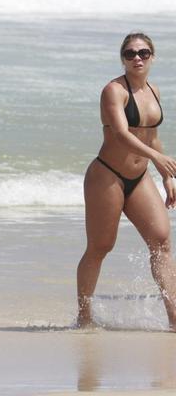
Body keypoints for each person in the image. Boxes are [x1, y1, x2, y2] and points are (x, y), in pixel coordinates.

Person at [77, 33, 176, 331]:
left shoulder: (154, 91)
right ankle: (84, 316)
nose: (137, 58)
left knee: (161, 240)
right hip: (107, 176)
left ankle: (174, 318)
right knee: (100, 247)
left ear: (152, 57)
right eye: (130, 53)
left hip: (139, 176)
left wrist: (166, 176)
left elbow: (152, 137)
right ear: (122, 58)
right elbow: (121, 134)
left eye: (144, 53)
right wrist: (158, 160)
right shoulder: (113, 91)